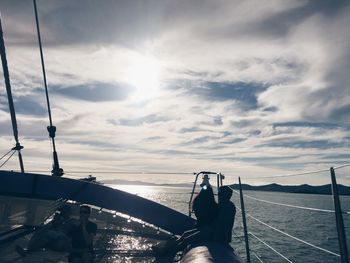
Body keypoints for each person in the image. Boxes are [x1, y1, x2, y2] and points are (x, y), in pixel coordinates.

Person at [153, 185, 218, 257]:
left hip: (208, 232)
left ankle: (166, 252)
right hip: (204, 229)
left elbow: (201, 218)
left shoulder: (199, 202)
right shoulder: (214, 205)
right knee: (185, 234)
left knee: (186, 240)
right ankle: (165, 249)